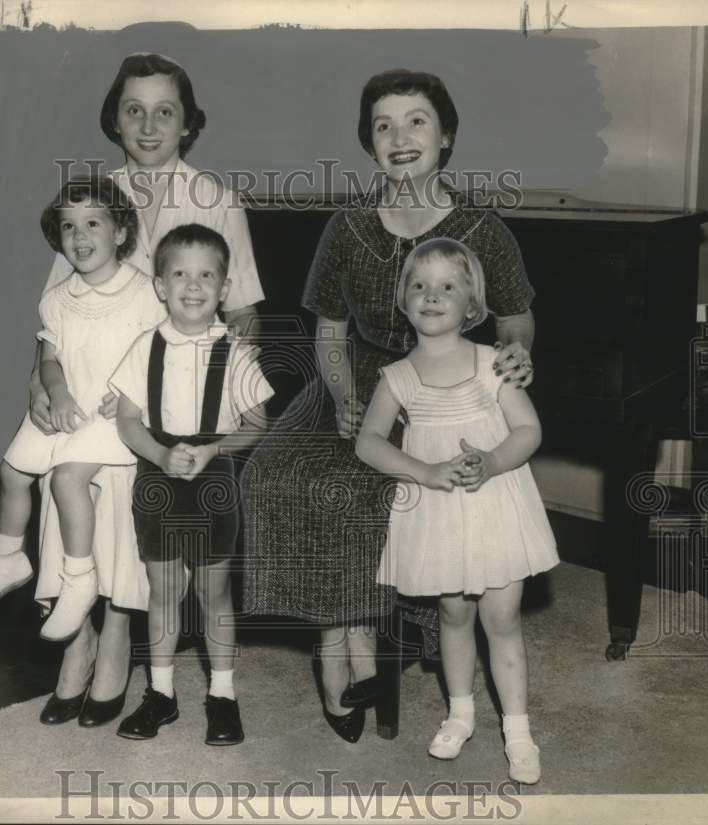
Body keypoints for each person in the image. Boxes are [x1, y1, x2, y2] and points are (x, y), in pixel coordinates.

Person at [241, 68, 537, 744]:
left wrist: (518, 352)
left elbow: (517, 318)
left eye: (417, 121)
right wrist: (344, 397)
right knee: (279, 475)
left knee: (378, 487)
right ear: (368, 143)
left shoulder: (483, 228)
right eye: (383, 125)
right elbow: (330, 333)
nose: (400, 137)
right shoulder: (346, 226)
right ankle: (335, 633)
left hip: (445, 385)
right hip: (358, 380)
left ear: (447, 136)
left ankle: (364, 625)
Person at [30, 54, 267, 726]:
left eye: (166, 110)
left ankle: (116, 642)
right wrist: (39, 383)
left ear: (189, 123)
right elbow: (57, 307)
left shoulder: (217, 200)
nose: (149, 123)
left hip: (169, 398)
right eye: (133, 109)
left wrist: (215, 410)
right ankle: (76, 638)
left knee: (130, 498)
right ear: (114, 119)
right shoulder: (93, 197)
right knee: (62, 474)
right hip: (89, 383)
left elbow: (242, 310)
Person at [355, 238, 557, 783]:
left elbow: (529, 430)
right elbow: (368, 442)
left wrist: (491, 461)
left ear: (473, 304)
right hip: (438, 511)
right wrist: (423, 472)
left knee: (502, 618)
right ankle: (461, 713)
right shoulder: (397, 376)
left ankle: (517, 729)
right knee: (452, 614)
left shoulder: (494, 364)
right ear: (403, 300)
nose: (431, 295)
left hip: (495, 506)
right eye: (419, 285)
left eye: (448, 285)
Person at [0, 175, 164, 647]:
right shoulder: (57, 299)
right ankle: (9, 557)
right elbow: (49, 358)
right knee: (12, 470)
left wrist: (138, 395)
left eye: (93, 223)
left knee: (68, 477)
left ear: (119, 232)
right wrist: (56, 394)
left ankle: (78, 578)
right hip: (69, 407)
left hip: (116, 417)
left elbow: (164, 356)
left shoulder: (143, 293)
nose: (80, 236)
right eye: (69, 227)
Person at [110, 223, 273, 745]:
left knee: (212, 591)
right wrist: (160, 454)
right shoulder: (143, 347)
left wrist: (211, 450)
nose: (193, 284)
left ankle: (222, 695)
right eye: (180, 273)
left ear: (225, 289)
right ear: (160, 285)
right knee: (163, 590)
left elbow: (257, 423)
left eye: (207, 275)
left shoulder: (237, 351)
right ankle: (161, 693)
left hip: (214, 479)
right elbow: (129, 420)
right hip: (157, 479)